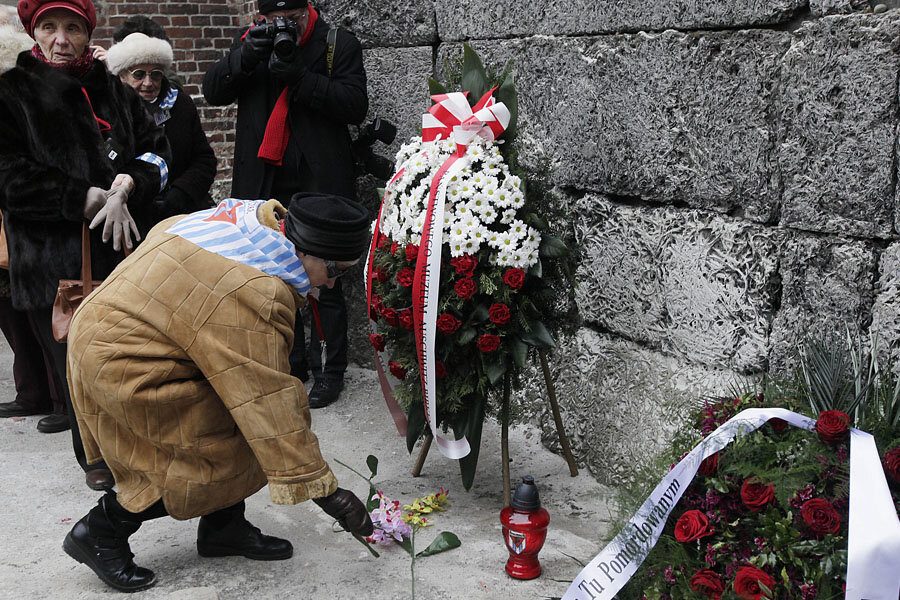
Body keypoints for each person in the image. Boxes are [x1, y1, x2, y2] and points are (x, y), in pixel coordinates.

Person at [63, 194, 374, 592]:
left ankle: (223, 528)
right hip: (126, 358)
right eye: (334, 270)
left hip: (114, 328)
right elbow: (268, 402)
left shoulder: (251, 225)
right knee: (196, 454)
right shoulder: (253, 290)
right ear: (301, 248)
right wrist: (328, 493)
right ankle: (100, 531)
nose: (331, 283)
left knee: (239, 426)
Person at [0, 0, 171, 491]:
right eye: (49, 27)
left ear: (86, 32)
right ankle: (94, 458)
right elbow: (9, 179)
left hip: (119, 257)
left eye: (72, 28)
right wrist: (82, 197)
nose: (60, 39)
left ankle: (141, 451)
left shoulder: (112, 88)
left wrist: (128, 184)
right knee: (75, 372)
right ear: (34, 32)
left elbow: (159, 152)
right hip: (51, 265)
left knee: (129, 361)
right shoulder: (12, 93)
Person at [202, 0, 368, 409]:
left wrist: (300, 78)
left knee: (324, 280)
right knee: (269, 275)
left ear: (306, 10)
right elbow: (213, 90)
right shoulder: (251, 42)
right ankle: (290, 364)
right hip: (264, 177)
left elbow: (354, 105)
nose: (282, 27)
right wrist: (246, 56)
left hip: (319, 178)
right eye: (273, 20)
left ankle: (330, 369)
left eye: (291, 20)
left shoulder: (336, 44)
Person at [0, 4, 67, 433]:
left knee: (46, 309)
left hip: (31, 216)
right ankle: (34, 390)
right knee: (13, 308)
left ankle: (59, 397)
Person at [105, 17, 217, 230]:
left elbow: (204, 159)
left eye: (155, 74)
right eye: (139, 74)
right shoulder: (110, 109)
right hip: (130, 219)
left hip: (181, 214)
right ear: (122, 75)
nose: (148, 82)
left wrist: (181, 193)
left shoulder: (180, 104)